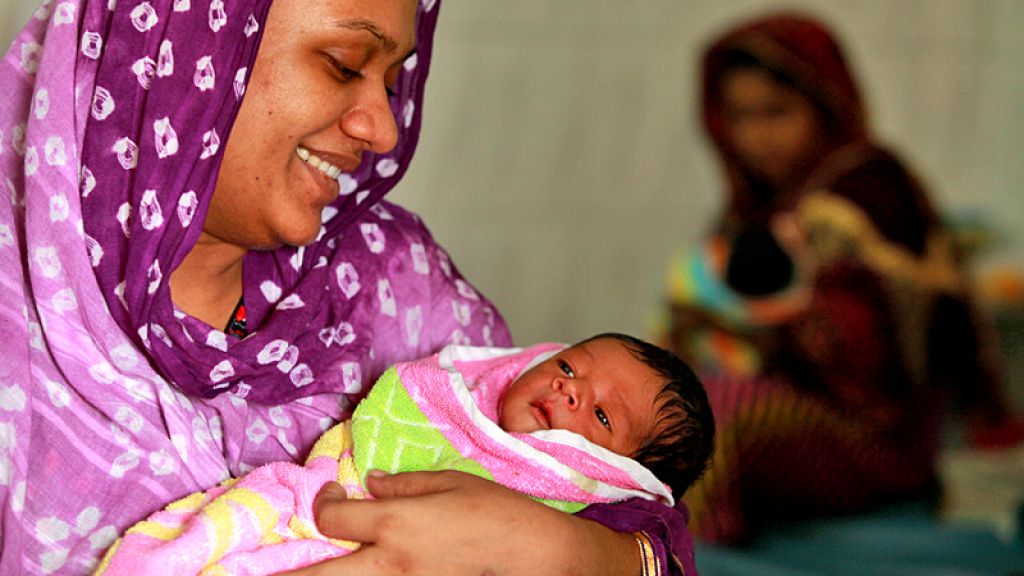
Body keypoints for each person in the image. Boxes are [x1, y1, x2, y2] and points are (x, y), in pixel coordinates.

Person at [0, 1, 698, 574]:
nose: (383, 128)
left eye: (391, 81)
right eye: (342, 64)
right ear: (181, 48)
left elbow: (619, 493)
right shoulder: (16, 322)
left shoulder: (400, 292)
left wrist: (574, 555)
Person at [662, 11, 1024, 545]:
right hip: (789, 410)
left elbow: (871, 352)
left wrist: (768, 324)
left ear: (825, 103)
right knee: (662, 400)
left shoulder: (868, 189)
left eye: (776, 112)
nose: (757, 136)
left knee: (716, 410)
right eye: (740, 116)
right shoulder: (756, 205)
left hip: (877, 437)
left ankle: (686, 559)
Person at [96, 334, 715, 574]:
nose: (569, 389)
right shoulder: (452, 399)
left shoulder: (608, 511)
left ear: (621, 472)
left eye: (603, 416)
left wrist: (562, 550)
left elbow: (663, 554)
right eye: (569, 366)